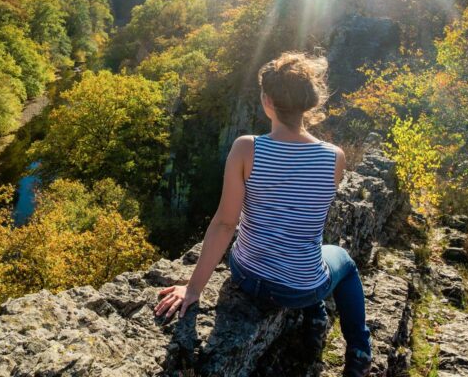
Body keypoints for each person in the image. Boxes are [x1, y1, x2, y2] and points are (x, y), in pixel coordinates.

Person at [153, 51, 372, 376]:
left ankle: (316, 319)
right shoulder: (334, 158)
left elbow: (226, 223)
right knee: (342, 262)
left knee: (311, 251)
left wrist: (194, 288)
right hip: (300, 288)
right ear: (308, 102)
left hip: (247, 276)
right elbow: (304, 214)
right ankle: (358, 354)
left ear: (267, 100)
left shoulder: (247, 148)